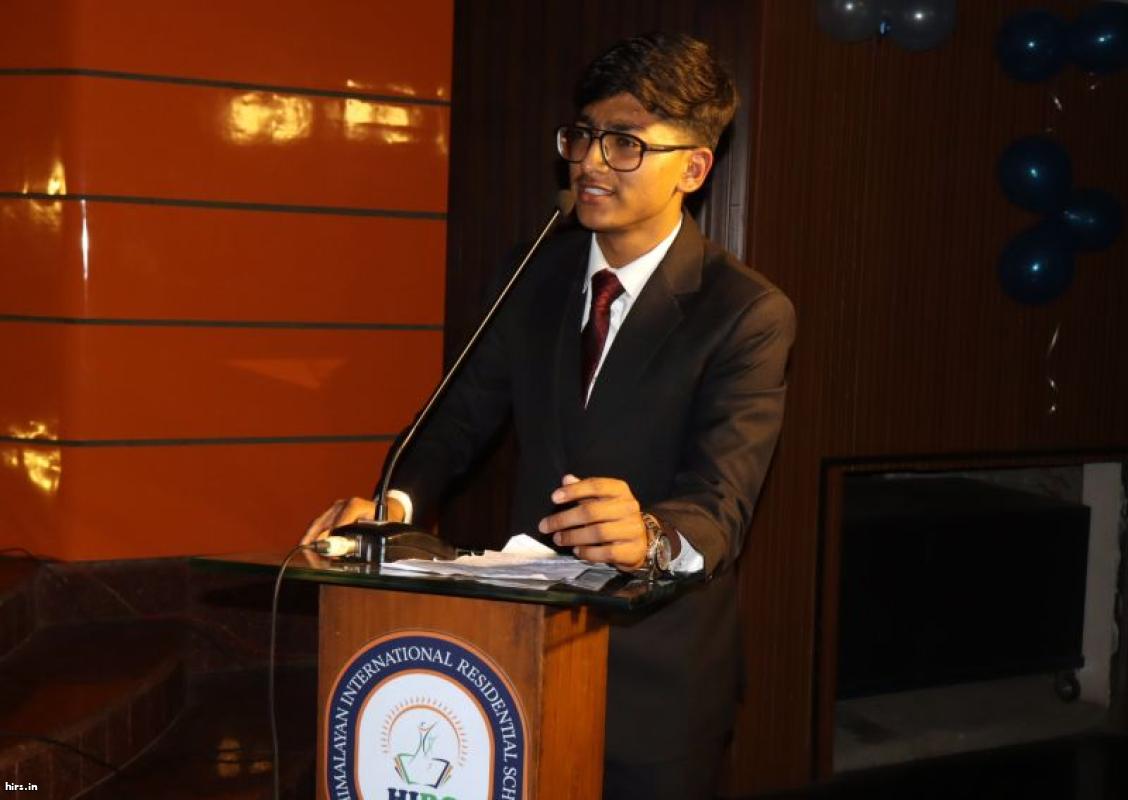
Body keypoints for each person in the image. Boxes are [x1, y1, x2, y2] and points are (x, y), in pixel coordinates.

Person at [304, 32, 795, 800]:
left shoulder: (745, 312)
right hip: (517, 657)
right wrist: (391, 505)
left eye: (625, 143)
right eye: (583, 135)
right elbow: (455, 421)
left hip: (655, 684)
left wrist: (652, 536)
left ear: (694, 169)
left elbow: (721, 502)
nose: (592, 161)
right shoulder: (532, 272)